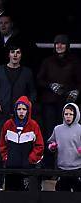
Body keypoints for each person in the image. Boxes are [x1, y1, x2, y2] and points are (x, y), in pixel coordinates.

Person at [0, 44, 36, 191]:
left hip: (19, 118)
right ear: (8, 54)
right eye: (12, 52)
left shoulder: (27, 72)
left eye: (18, 52)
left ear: (21, 55)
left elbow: (32, 92)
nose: (15, 55)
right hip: (1, 116)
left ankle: (19, 182)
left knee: (19, 149)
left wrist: (27, 106)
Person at [37, 34, 81, 169]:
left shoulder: (74, 62)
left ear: (67, 46)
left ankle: (70, 167)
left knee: (69, 135)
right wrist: (50, 85)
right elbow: (39, 79)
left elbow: (80, 82)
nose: (59, 46)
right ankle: (49, 167)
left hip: (67, 104)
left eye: (62, 44)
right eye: (57, 44)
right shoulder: (47, 61)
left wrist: (77, 91)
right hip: (50, 103)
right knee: (50, 134)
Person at [0, 96, 43, 191]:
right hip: (11, 168)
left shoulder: (34, 125)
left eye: (24, 109)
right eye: (19, 109)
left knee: (26, 197)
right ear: (15, 110)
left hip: (27, 169)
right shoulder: (8, 124)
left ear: (28, 110)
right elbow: (2, 144)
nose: (21, 111)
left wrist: (31, 159)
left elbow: (39, 146)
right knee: (11, 196)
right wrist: (6, 157)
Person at [47, 103, 81, 192]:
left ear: (76, 115)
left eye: (71, 114)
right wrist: (52, 147)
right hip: (62, 169)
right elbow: (51, 142)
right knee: (62, 194)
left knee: (77, 195)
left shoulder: (80, 129)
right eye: (66, 114)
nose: (68, 117)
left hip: (77, 169)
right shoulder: (57, 129)